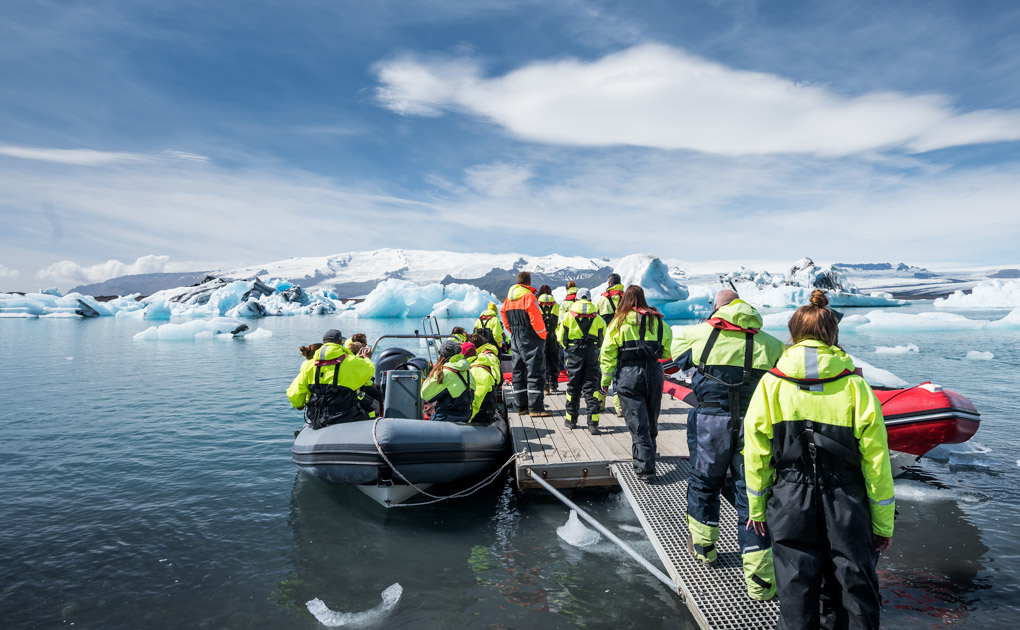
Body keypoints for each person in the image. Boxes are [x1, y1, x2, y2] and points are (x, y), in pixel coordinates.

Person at [744, 290, 895, 629]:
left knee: (796, 588)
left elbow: (755, 454)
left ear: (793, 333)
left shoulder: (771, 385)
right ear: (832, 334)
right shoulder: (856, 386)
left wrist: (757, 508)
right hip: (846, 500)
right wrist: (883, 523)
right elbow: (876, 461)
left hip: (790, 499)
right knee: (855, 588)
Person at [671, 289, 784, 601]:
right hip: (755, 427)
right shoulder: (772, 344)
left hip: (710, 424)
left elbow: (673, 361)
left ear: (715, 309)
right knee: (753, 498)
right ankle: (760, 583)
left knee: (703, 485)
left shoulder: (696, 334)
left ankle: (705, 550)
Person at [599, 286, 672, 482]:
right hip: (654, 373)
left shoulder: (619, 321)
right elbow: (666, 352)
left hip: (629, 374)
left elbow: (608, 353)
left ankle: (645, 471)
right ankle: (650, 456)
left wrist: (605, 380)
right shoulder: (659, 321)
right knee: (651, 417)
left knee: (637, 423)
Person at [287, 329, 377, 428]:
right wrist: (367, 358)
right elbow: (369, 371)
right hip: (347, 415)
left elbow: (293, 392)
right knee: (373, 410)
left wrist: (299, 404)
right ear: (340, 342)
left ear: (324, 342)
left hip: (317, 417)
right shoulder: (351, 361)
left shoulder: (309, 365)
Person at [501, 271, 550, 417]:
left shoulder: (507, 300)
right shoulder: (529, 296)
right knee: (535, 371)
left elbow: (504, 318)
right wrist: (542, 335)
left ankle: (521, 407)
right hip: (531, 338)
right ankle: (536, 408)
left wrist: (513, 332)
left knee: (518, 372)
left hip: (515, 338)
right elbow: (536, 318)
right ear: (528, 282)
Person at [558, 288, 606, 434]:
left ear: (576, 300)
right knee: (591, 388)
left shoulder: (568, 317)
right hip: (591, 354)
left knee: (573, 387)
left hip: (574, 354)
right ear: (590, 300)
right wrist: (595, 349)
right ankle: (593, 424)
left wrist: (570, 348)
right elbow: (603, 339)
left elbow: (561, 338)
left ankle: (571, 421)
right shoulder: (598, 318)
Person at [421, 339, 476, 423]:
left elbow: (424, 395)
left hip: (445, 420)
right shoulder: (468, 372)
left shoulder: (444, 373)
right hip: (464, 418)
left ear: (442, 355)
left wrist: (431, 375)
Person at [464, 339, 501, 424]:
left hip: (481, 416)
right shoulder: (478, 366)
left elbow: (476, 400)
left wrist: (466, 420)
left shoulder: (478, 372)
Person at [537, 285, 562, 394]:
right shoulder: (556, 305)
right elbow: (561, 321)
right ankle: (553, 384)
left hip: (541, 336)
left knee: (543, 360)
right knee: (554, 360)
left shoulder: (537, 304)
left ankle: (545, 386)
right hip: (554, 335)